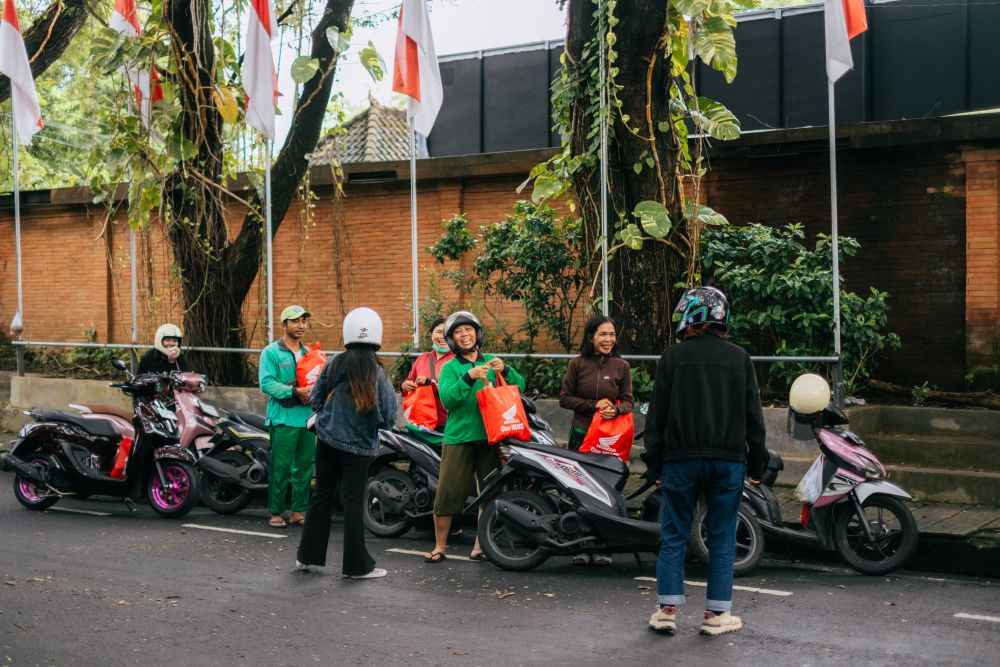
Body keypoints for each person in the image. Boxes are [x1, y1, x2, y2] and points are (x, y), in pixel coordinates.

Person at [642, 286, 767, 637]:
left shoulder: (672, 358)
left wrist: (654, 467)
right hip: (727, 462)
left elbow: (657, 420)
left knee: (674, 534)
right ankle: (716, 615)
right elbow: (753, 418)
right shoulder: (740, 358)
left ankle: (666, 610)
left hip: (680, 461)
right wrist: (758, 464)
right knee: (722, 535)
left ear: (691, 317)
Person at [296, 307, 396, 579]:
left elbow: (316, 397)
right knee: (353, 503)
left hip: (327, 439)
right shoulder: (378, 371)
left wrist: (325, 417)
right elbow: (389, 415)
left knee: (321, 496)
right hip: (360, 448)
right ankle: (356, 567)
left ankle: (307, 558)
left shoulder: (336, 363)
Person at [425, 311, 525, 563]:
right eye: (459, 332)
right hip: (459, 438)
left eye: (468, 330)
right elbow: (448, 400)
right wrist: (469, 377)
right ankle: (440, 546)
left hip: (491, 437)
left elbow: (518, 388)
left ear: (477, 333)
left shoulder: (492, 361)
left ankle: (480, 546)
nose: (464, 335)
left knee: (489, 493)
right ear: (452, 340)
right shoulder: (449, 368)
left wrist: (508, 370)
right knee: (447, 493)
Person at [558, 314, 634, 566]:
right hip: (581, 437)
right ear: (591, 337)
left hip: (610, 441)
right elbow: (565, 398)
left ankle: (604, 546)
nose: (608, 339)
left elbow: (629, 400)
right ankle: (580, 544)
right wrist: (594, 406)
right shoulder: (577, 364)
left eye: (612, 334)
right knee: (579, 491)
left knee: (607, 491)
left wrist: (617, 408)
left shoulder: (621, 366)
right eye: (603, 334)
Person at [259, 305, 316, 529]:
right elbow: (266, 383)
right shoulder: (271, 352)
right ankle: (276, 511)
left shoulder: (310, 353)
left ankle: (298, 511)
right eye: (295, 321)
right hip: (283, 418)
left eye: (303, 321)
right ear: (284, 324)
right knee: (281, 467)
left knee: (304, 467)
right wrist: (293, 391)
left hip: (307, 419)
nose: (301, 325)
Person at [400, 316, 454, 431]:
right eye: (439, 332)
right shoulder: (422, 358)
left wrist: (431, 383)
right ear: (431, 334)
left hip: (449, 423)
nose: (443, 336)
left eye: (448, 333)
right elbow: (409, 381)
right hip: (421, 421)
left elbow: (457, 392)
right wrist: (405, 385)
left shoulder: (458, 360)